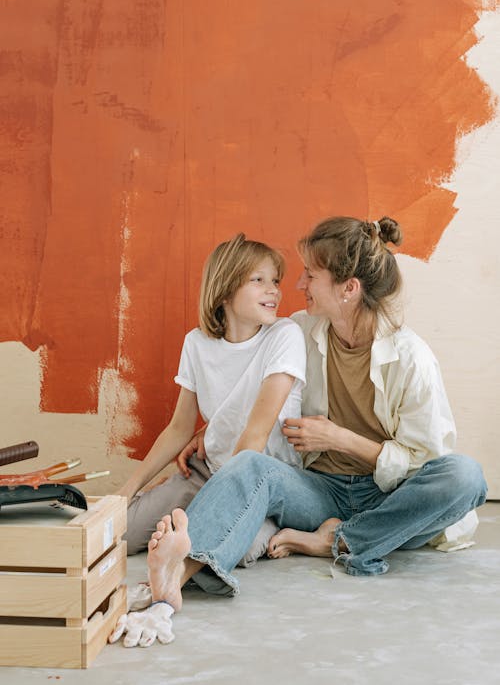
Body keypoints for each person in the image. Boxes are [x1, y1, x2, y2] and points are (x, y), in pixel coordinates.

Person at [111, 216, 487, 647]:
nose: (298, 284)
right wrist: (210, 428)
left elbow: (426, 464)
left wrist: (341, 439)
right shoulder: (301, 333)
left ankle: (336, 541)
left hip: (388, 496)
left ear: (348, 289)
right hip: (318, 489)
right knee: (253, 465)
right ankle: (175, 578)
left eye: (311, 274)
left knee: (464, 477)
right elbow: (248, 372)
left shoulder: (411, 359)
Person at [118, 232, 306, 565]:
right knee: (124, 532)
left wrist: (219, 503)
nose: (273, 290)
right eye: (258, 280)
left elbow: (256, 435)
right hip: (208, 472)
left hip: (258, 481)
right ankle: (189, 517)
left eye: (275, 280)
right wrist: (127, 491)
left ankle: (291, 533)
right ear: (225, 290)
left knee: (236, 551)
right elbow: (179, 428)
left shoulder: (284, 336)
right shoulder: (197, 343)